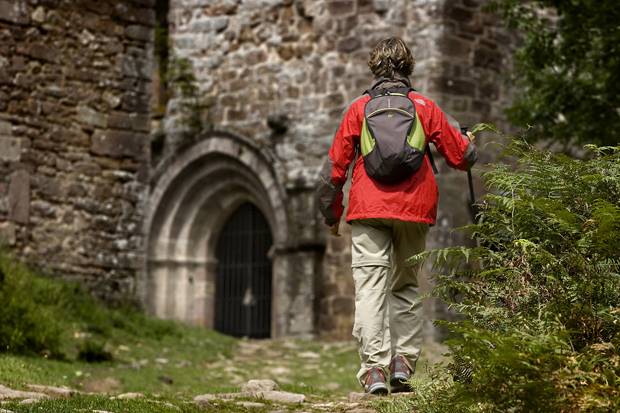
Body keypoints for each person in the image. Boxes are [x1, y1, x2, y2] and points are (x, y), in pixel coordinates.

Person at [316, 36, 477, 395]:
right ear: (409, 67)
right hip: (414, 208)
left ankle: (374, 370)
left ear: (374, 67)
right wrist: (469, 141)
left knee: (370, 289)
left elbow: (332, 172)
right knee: (405, 286)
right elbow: (461, 156)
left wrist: (332, 215)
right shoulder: (424, 105)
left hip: (367, 208)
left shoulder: (358, 108)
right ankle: (402, 363)